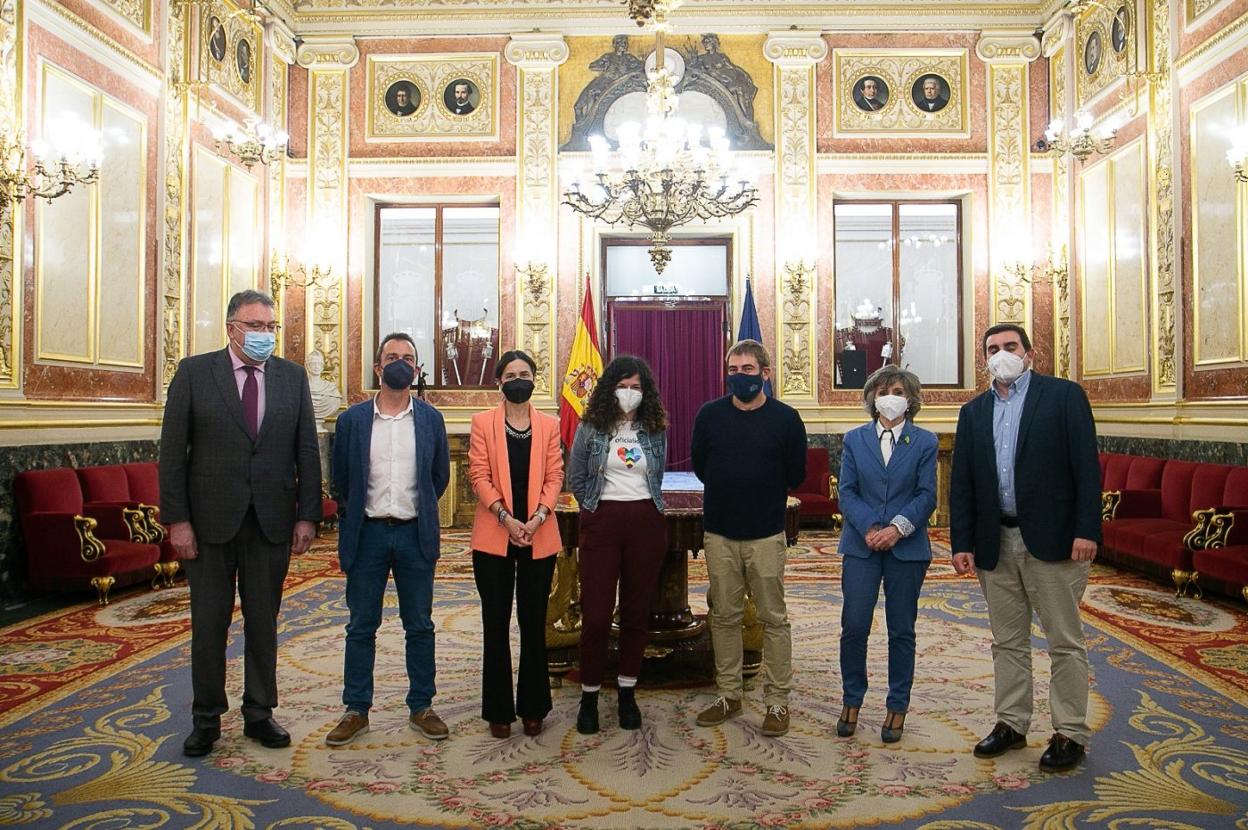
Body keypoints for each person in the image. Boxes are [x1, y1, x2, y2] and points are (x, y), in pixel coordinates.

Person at [160, 289, 321, 758]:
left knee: (263, 624)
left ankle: (259, 712)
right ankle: (206, 719)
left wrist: (308, 514)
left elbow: (306, 450)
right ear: (231, 328)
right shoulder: (194, 373)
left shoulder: (292, 378)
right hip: (208, 524)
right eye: (255, 327)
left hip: (270, 521)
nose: (264, 336)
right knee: (208, 625)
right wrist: (177, 521)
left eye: (270, 327)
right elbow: (172, 454)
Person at [950, 323, 1101, 773]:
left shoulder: (1064, 397)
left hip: (1054, 541)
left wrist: (1086, 529)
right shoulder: (973, 412)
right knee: (1008, 642)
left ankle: (1070, 731)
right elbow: (962, 484)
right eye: (993, 349)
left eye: (1010, 346)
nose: (1002, 354)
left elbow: (1087, 469)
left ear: (1029, 353)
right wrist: (962, 541)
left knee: (1064, 641)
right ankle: (1012, 723)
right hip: (995, 542)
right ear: (985, 360)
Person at [324, 333, 451, 746]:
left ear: (416, 369)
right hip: (368, 535)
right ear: (378, 368)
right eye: (391, 357)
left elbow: (439, 477)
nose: (400, 363)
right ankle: (356, 708)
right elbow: (341, 479)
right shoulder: (352, 420)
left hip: (415, 534)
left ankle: (422, 705)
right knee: (361, 625)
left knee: (420, 624)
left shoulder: (431, 419)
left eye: (408, 358)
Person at [691, 339, 806, 737]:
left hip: (767, 534)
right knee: (723, 616)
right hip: (720, 532)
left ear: (766, 374)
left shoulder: (787, 419)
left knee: (774, 618)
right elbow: (701, 465)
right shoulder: (709, 415)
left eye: (748, 370)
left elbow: (796, 474)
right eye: (734, 370)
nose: (740, 377)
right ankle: (729, 694)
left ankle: (777, 702)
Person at [566, 355, 668, 735]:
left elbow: (655, 476)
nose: (629, 393)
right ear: (610, 389)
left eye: (636, 387)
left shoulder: (654, 428)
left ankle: (627, 692)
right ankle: (589, 696)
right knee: (594, 617)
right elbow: (576, 477)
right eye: (623, 386)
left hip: (646, 523)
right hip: (602, 523)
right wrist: (595, 511)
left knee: (635, 615)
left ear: (646, 392)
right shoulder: (591, 427)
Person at [836, 366, 937, 743]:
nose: (889, 395)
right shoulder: (854, 440)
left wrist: (897, 528)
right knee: (855, 626)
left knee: (901, 630)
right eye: (882, 390)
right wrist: (870, 529)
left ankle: (897, 706)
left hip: (906, 548)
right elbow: (847, 492)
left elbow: (927, 495)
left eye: (896, 390)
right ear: (871, 397)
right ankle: (852, 699)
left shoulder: (925, 442)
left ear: (910, 399)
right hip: (861, 546)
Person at [467, 350, 563, 739]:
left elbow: (555, 475)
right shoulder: (482, 422)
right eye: (511, 374)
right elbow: (478, 474)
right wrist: (506, 519)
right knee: (495, 622)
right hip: (494, 535)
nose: (518, 378)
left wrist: (538, 517)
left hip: (539, 535)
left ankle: (534, 707)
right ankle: (499, 710)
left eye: (525, 373)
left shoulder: (550, 425)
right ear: (499, 381)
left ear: (534, 379)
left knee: (533, 622)